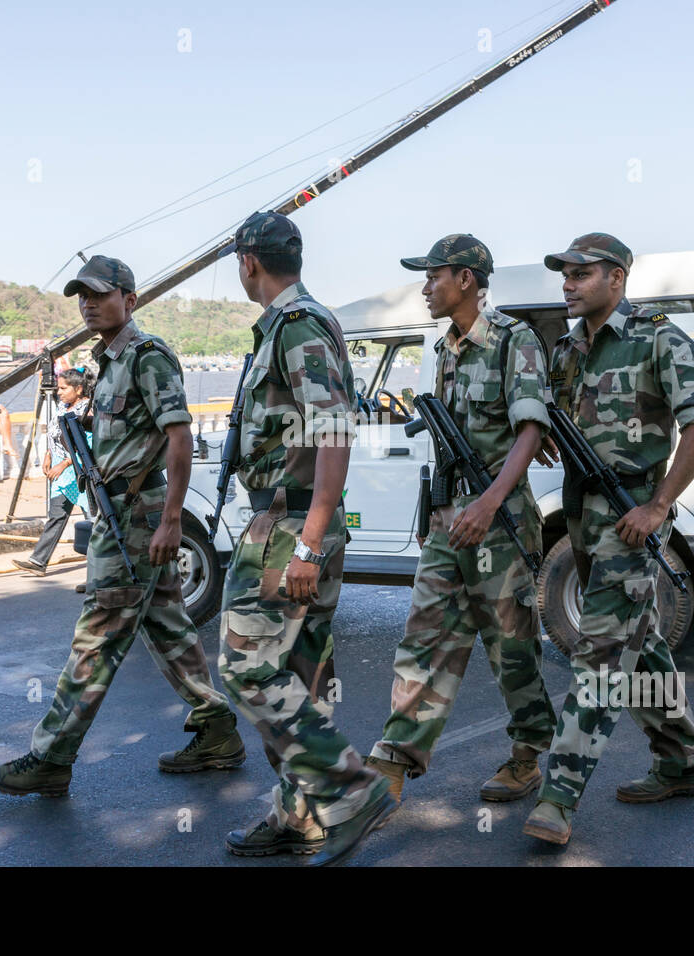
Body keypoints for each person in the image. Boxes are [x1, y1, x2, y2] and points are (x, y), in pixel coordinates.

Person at [0, 255, 245, 798]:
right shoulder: (108, 364)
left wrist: (172, 520)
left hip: (138, 521)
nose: (89, 303)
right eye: (83, 296)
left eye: (101, 294)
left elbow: (178, 439)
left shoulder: (147, 357)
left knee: (96, 638)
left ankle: (51, 756)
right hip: (119, 514)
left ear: (131, 298)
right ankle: (216, 730)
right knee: (168, 628)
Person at [523, 233, 694, 847]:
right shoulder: (568, 349)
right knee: (643, 645)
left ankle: (558, 797)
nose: (567, 283)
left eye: (580, 274)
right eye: (564, 274)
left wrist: (659, 505)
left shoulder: (659, 337)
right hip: (581, 513)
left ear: (616, 277)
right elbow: (560, 412)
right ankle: (683, 763)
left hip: (628, 513)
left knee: (602, 656)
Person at [216, 212, 393, 866]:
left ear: (249, 263)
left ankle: (351, 789)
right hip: (287, 519)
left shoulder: (299, 326)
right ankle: (298, 814)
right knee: (301, 676)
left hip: (287, 527)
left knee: (245, 666)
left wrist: (310, 542)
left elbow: (334, 431)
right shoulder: (288, 327)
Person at [363, 234, 556, 816]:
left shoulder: (513, 341)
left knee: (512, 649)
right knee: (424, 638)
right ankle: (393, 761)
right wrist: (435, 513)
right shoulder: (444, 347)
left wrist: (490, 502)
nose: (425, 287)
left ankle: (526, 756)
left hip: (498, 524)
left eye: (434, 276)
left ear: (467, 279)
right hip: (451, 524)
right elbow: (447, 446)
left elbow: (531, 429)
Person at [13, 366, 94, 576]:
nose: (59, 392)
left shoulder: (87, 411)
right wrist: (49, 454)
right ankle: (39, 561)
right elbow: (55, 432)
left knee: (93, 521)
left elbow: (88, 444)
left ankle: (98, 572)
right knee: (57, 515)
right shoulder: (63, 406)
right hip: (61, 470)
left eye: (63, 388)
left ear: (78, 389)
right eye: (58, 388)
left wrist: (65, 463)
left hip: (78, 469)